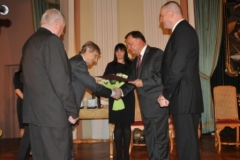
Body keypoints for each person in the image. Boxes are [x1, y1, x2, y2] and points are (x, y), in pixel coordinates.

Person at [22, 9, 79, 160]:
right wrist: (72, 110)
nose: (62, 32)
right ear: (57, 23)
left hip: (35, 117)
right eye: (63, 28)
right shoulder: (52, 41)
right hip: (54, 117)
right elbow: (60, 81)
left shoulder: (29, 42)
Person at [158, 2, 204, 160]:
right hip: (184, 99)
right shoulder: (181, 31)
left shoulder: (183, 32)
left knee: (187, 147)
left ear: (171, 14)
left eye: (162, 16)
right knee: (187, 146)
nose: (161, 20)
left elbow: (177, 67)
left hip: (185, 99)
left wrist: (166, 94)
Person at [120, 31, 169, 160]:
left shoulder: (156, 53)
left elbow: (163, 76)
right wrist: (119, 92)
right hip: (145, 107)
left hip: (158, 105)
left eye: (130, 44)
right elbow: (132, 81)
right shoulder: (136, 60)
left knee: (160, 140)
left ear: (139, 40)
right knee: (150, 139)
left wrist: (143, 82)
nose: (128, 48)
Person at [103, 43, 135, 160]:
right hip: (115, 96)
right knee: (118, 126)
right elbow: (105, 81)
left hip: (127, 97)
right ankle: (118, 154)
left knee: (126, 126)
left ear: (125, 52)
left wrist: (122, 89)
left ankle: (126, 153)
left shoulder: (131, 64)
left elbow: (133, 81)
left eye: (122, 50)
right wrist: (113, 88)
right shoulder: (110, 65)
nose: (119, 53)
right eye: (117, 50)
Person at [69, 41, 121, 108]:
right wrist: (113, 93)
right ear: (88, 50)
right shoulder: (80, 63)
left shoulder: (76, 60)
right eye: (95, 55)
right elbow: (93, 85)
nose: (96, 60)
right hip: (68, 107)